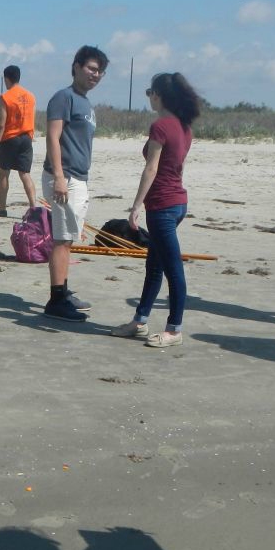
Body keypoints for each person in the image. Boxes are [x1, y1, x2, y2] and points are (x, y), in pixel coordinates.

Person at [111, 73, 202, 348]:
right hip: (177, 204)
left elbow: (151, 168)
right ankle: (139, 321)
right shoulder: (185, 127)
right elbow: (179, 167)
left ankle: (174, 329)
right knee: (154, 265)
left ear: (159, 95)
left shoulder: (161, 126)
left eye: (150, 91)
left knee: (173, 269)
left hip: (163, 207)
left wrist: (136, 206)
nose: (149, 96)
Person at [42, 45, 109, 322]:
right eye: (92, 69)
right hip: (65, 177)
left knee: (69, 238)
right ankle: (56, 299)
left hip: (78, 178)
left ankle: (64, 291)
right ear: (77, 66)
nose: (96, 75)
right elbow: (52, 137)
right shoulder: (63, 97)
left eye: (100, 72)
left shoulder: (86, 103)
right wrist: (59, 176)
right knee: (63, 238)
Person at [0, 65, 37, 216]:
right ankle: (33, 208)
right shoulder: (31, 96)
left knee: (4, 173)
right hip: (26, 138)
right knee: (25, 174)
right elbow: (32, 118)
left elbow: (1, 124)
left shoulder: (5, 97)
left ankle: (2, 209)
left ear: (6, 79)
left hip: (10, 138)